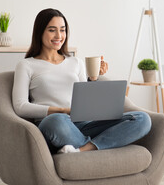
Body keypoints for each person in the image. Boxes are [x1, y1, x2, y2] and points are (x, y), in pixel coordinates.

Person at [12, 8, 151, 154]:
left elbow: (85, 100)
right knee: (55, 121)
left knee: (142, 118)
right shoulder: (27, 65)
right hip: (55, 124)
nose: (59, 35)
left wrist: (94, 79)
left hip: (84, 124)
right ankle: (97, 144)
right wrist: (61, 110)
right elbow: (20, 106)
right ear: (40, 32)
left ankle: (82, 149)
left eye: (63, 30)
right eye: (52, 30)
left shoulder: (76, 62)